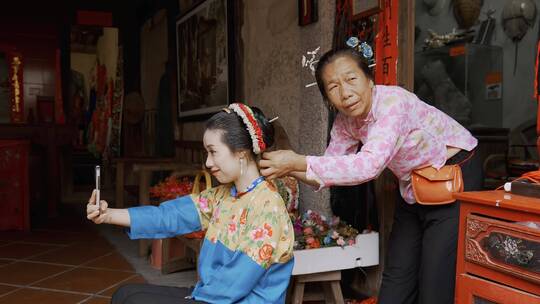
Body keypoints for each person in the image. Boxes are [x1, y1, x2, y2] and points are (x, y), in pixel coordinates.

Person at [259, 47, 483, 304]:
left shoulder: (392, 103)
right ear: (328, 97)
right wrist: (289, 167)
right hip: (413, 185)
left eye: (351, 79)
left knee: (435, 283)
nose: (345, 93)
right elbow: (330, 169)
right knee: (396, 281)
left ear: (369, 79)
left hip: (454, 174)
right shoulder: (345, 122)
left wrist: (296, 160)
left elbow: (369, 166)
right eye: (333, 87)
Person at [87, 103, 294, 304]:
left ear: (241, 152)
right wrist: (108, 215)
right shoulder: (223, 196)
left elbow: (235, 283)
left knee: (136, 301)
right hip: (213, 295)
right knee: (125, 294)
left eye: (213, 152)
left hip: (229, 299)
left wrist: (195, 296)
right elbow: (167, 217)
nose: (208, 163)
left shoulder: (268, 207)